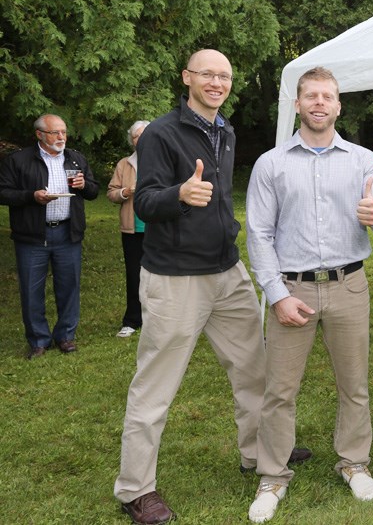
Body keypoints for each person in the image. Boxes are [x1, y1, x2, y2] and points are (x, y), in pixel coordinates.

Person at [113, 49, 309, 525]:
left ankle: (257, 455)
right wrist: (180, 195)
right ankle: (136, 490)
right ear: (187, 78)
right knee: (155, 387)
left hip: (227, 271)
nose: (217, 82)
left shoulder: (225, 130)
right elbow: (146, 200)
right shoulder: (162, 132)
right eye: (208, 74)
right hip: (175, 279)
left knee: (253, 370)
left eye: (224, 76)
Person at [245, 67, 373, 523]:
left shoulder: (363, 159)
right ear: (297, 105)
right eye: (310, 96)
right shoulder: (271, 163)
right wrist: (276, 294)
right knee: (279, 391)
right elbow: (258, 234)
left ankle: (354, 462)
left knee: (354, 385)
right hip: (292, 289)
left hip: (349, 286)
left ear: (337, 106)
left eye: (327, 96)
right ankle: (272, 474)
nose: (318, 103)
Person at [0, 114, 99, 359]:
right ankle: (38, 340)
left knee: (69, 286)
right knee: (32, 289)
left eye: (64, 132)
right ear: (40, 135)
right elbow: (3, 193)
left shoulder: (76, 159)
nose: (61, 137)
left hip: (68, 233)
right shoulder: (18, 160)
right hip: (33, 235)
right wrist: (31, 196)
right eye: (55, 133)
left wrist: (83, 185)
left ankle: (65, 336)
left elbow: (94, 191)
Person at [107, 120, 150, 338]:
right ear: (131, 141)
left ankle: (157, 319)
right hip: (133, 229)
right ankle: (132, 320)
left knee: (161, 275)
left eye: (144, 134)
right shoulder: (124, 164)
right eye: (136, 136)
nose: (140, 139)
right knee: (134, 275)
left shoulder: (164, 159)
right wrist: (127, 191)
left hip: (160, 228)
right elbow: (112, 193)